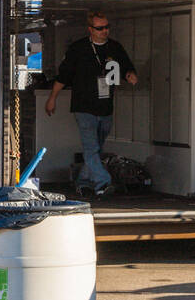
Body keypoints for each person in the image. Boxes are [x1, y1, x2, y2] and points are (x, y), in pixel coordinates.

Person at [44, 11, 138, 196]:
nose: (104, 31)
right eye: (100, 28)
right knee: (91, 148)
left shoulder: (115, 47)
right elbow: (63, 76)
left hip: (106, 107)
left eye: (107, 27)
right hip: (84, 106)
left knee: (95, 149)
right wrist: (52, 98)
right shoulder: (79, 49)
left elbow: (127, 67)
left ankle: (83, 181)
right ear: (90, 30)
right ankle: (103, 183)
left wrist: (129, 75)